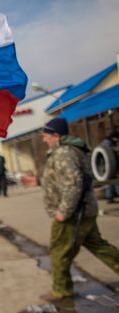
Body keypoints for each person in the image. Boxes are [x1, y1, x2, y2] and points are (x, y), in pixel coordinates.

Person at [40, 118, 119, 302]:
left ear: (55, 135)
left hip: (73, 215)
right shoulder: (69, 151)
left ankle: (61, 290)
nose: (44, 139)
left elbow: (73, 184)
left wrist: (63, 212)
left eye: (45, 136)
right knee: (99, 246)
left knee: (59, 250)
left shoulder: (63, 154)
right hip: (83, 211)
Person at [100, 131, 119, 203]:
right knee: (115, 181)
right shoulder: (109, 144)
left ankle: (109, 197)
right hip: (110, 165)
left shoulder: (105, 143)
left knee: (109, 182)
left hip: (105, 166)